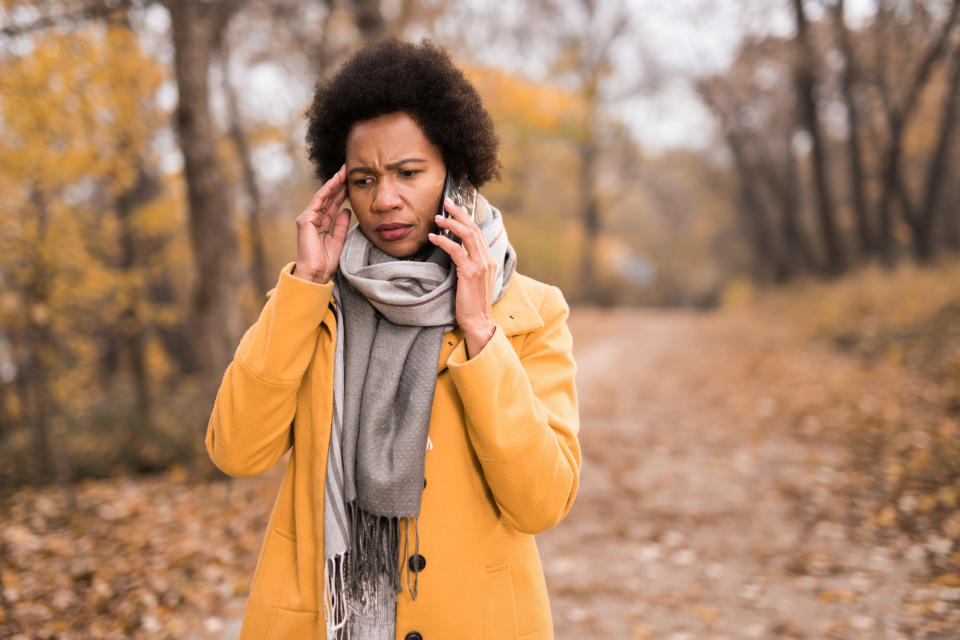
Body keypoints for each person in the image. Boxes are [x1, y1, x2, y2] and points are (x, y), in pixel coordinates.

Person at [205, 37, 581, 640]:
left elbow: (542, 501)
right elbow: (236, 451)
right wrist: (305, 286)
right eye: (364, 179)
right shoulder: (311, 304)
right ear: (340, 188)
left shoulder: (529, 311)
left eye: (408, 172)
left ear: (454, 175)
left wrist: (480, 331)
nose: (385, 200)